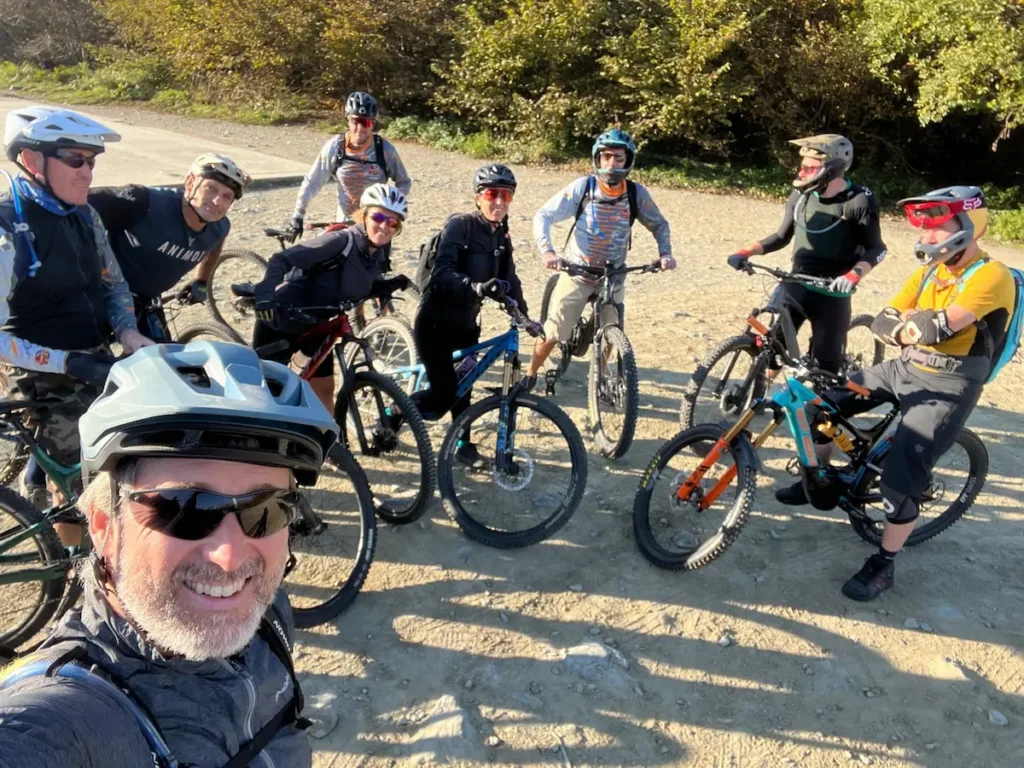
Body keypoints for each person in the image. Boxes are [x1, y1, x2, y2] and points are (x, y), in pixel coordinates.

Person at [0, 340, 338, 767]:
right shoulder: (69, 719)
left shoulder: (266, 615)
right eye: (186, 509)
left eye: (266, 510)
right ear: (104, 527)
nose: (229, 557)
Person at [779, 186, 1015, 601]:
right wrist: (910, 324)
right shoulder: (932, 271)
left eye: (936, 228)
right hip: (903, 367)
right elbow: (884, 321)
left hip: (949, 382)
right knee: (823, 407)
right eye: (924, 229)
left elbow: (936, 328)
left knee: (899, 484)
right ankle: (818, 481)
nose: (925, 238)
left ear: (969, 227)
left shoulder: (990, 275)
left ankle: (884, 562)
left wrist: (913, 324)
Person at [0, 105, 152, 518]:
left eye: (92, 160)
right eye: (74, 159)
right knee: (79, 482)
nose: (88, 171)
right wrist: (67, 363)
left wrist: (127, 332)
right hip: (41, 372)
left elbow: (114, 282)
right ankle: (72, 569)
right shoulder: (8, 227)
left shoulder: (84, 213)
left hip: (92, 355)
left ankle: (40, 483)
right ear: (32, 161)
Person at [725, 134, 887, 393]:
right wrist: (745, 251)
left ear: (831, 169)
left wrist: (853, 276)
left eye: (809, 168)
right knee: (774, 345)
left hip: (832, 291)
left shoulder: (859, 200)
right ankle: (758, 392)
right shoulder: (801, 197)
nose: (802, 172)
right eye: (802, 166)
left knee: (825, 370)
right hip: (798, 281)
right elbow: (780, 237)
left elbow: (877, 249)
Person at [523, 129, 675, 389]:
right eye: (606, 157)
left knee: (612, 332)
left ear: (628, 162)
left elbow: (659, 224)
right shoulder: (583, 188)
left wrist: (665, 254)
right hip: (577, 272)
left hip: (613, 275)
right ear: (597, 158)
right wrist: (548, 251)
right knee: (554, 332)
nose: (611, 164)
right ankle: (530, 373)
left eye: (618, 158)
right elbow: (544, 215)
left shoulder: (637, 194)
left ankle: (598, 377)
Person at [253, 182, 410, 411]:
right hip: (282, 319)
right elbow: (281, 259)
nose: (385, 227)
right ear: (364, 215)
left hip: (319, 325)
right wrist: (265, 295)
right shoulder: (340, 241)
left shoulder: (379, 250)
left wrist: (381, 286)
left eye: (392, 222)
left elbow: (346, 280)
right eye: (378, 217)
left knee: (325, 391)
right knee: (265, 396)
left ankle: (326, 444)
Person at [413, 163, 529, 468]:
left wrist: (526, 316)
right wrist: (476, 287)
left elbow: (510, 278)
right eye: (493, 194)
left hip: (466, 324)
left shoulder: (500, 234)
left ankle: (464, 445)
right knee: (443, 395)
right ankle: (394, 413)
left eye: (507, 195)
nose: (500, 202)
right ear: (478, 197)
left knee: (465, 384)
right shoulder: (459, 226)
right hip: (435, 322)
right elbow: (442, 273)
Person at [89, 153, 252, 340]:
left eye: (227, 196)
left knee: (161, 361)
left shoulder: (220, 226)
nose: (217, 201)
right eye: (211, 188)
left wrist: (201, 281)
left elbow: (215, 246)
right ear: (190, 182)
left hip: (147, 302)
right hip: (99, 296)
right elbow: (78, 204)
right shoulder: (144, 202)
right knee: (87, 361)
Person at [287, 91, 411, 236]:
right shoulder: (335, 147)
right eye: (355, 121)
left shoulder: (384, 149)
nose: (360, 128)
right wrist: (298, 216)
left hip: (376, 222)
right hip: (345, 221)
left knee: (378, 258)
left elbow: (404, 182)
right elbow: (313, 181)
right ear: (348, 120)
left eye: (366, 122)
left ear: (372, 124)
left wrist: (388, 207)